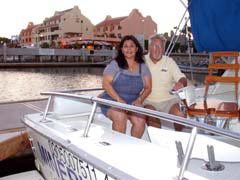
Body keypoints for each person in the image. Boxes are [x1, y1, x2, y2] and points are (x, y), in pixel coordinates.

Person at [99, 35, 152, 138]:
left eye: (132, 46)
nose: (129, 49)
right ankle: (118, 147)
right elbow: (105, 83)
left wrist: (139, 100)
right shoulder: (115, 64)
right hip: (112, 101)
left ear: (136, 49)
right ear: (122, 50)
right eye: (125, 46)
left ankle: (131, 145)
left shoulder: (143, 67)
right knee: (120, 115)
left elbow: (148, 87)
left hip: (132, 103)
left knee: (140, 120)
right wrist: (119, 99)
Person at [144, 34, 187, 131]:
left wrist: (181, 83)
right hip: (149, 100)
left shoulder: (169, 61)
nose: (157, 49)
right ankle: (157, 144)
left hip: (169, 100)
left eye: (160, 47)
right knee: (152, 117)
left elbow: (182, 78)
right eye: (154, 46)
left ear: (164, 49)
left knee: (180, 115)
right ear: (149, 47)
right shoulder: (142, 61)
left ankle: (178, 138)